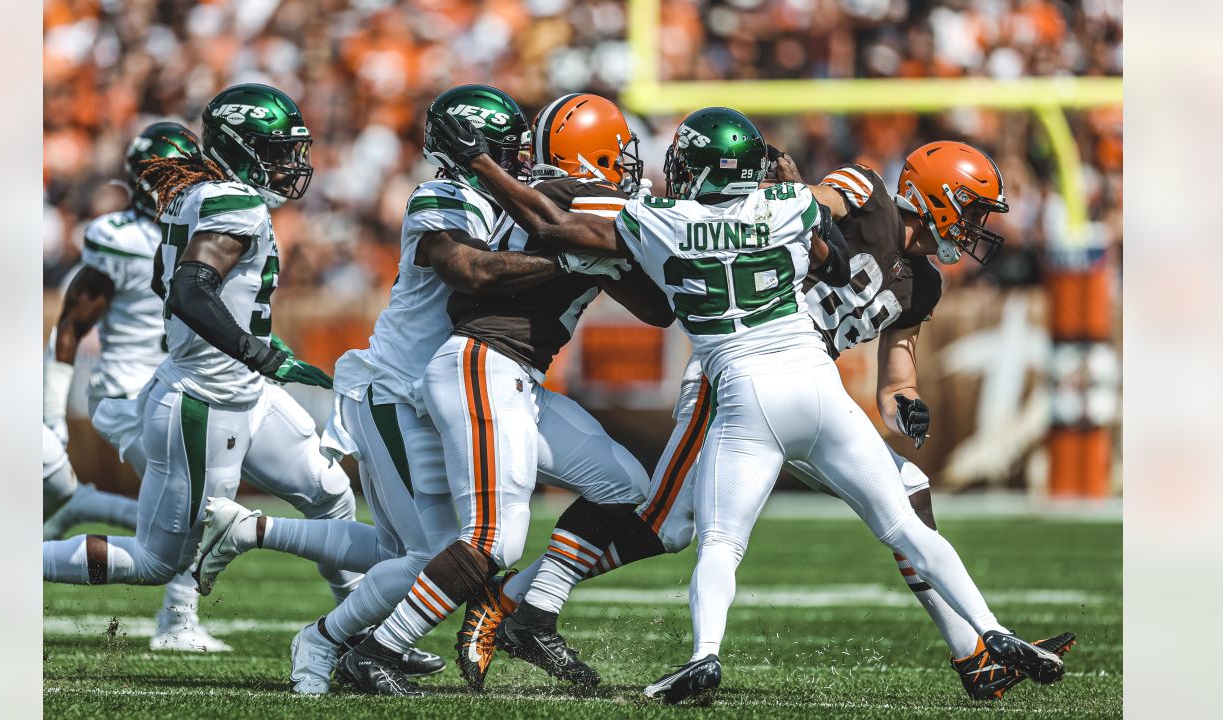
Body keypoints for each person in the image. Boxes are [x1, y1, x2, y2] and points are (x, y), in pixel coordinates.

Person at [428, 106, 1070, 704]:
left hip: (806, 380)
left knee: (907, 491)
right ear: (941, 198)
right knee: (668, 524)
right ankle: (516, 598)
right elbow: (811, 200)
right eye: (975, 210)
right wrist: (789, 199)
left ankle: (974, 653)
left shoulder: (924, 284)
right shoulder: (864, 192)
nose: (980, 228)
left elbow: (895, 372)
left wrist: (906, 404)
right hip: (732, 373)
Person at [191, 85, 629, 695]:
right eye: (505, 148)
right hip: (399, 391)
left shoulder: (510, 199)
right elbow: (469, 271)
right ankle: (323, 642)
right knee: (435, 554)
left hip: (464, 388)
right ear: (467, 148)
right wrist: (573, 263)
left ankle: (250, 532)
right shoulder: (442, 194)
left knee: (415, 549)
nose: (521, 160)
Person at [332, 92, 673, 697]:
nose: (629, 163)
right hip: (483, 365)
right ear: (588, 156)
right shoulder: (565, 202)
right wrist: (592, 251)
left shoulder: (570, 203)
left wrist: (622, 253)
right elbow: (495, 259)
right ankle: (376, 650)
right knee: (495, 538)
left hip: (516, 377)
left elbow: (656, 310)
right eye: (617, 152)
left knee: (628, 488)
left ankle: (531, 615)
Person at [43, 84, 363, 613]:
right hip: (205, 399)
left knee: (330, 494)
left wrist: (251, 341)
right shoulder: (233, 201)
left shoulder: (196, 195)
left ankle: (358, 628)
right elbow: (189, 288)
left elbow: (160, 282)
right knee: (156, 562)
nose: (289, 163)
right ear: (239, 147)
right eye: (277, 150)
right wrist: (255, 350)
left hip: (242, 390)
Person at [42, 122, 229, 651]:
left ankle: (84, 505)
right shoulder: (118, 239)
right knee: (189, 507)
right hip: (127, 392)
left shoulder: (209, 226)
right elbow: (71, 327)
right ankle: (176, 620)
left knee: (194, 508)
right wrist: (53, 417)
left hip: (179, 386)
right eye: (163, 175)